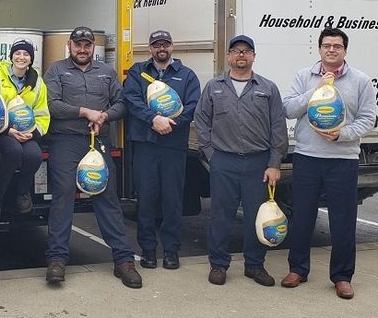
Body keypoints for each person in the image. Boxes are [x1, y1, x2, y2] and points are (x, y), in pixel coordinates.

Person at [42, 26, 141, 289]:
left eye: (87, 45)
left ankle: (124, 260)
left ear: (93, 47)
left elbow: (121, 103)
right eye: (78, 44)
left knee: (107, 196)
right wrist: (85, 112)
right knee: (63, 196)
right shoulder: (56, 70)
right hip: (65, 141)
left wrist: (105, 116)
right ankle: (57, 261)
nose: (82, 49)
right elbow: (52, 105)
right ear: (69, 45)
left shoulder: (106, 72)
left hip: (98, 143)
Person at [281, 27, 377, 299]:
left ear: (345, 50)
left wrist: (342, 135)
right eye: (327, 45)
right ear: (319, 49)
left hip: (342, 159)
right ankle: (298, 269)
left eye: (337, 46)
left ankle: (342, 277)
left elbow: (368, 118)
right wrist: (316, 89)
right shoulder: (304, 76)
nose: (331, 49)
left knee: (343, 220)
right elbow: (288, 109)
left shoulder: (361, 81)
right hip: (307, 157)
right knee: (301, 217)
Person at [194, 35, 288, 287]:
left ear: (254, 56)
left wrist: (274, 163)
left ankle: (255, 265)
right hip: (223, 161)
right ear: (228, 56)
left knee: (257, 216)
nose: (241, 55)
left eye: (246, 51)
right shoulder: (214, 86)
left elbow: (278, 126)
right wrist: (211, 154)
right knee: (220, 215)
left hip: (258, 163)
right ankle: (218, 265)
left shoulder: (267, 88)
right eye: (236, 51)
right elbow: (201, 120)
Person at [122, 30, 200, 270]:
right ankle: (147, 250)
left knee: (172, 200)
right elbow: (131, 99)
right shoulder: (138, 72)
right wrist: (153, 119)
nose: (161, 48)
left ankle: (171, 251)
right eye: (156, 45)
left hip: (173, 146)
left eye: (165, 44)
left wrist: (171, 122)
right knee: (146, 199)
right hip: (145, 145)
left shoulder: (187, 75)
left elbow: (193, 105)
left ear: (172, 46)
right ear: (150, 48)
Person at [0, 39, 49, 220]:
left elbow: (42, 113)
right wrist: (7, 130)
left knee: (34, 155)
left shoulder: (38, 82)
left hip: (28, 133)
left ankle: (22, 193)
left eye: (26, 54)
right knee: (13, 151)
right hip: (3, 131)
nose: (21, 57)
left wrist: (33, 133)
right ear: (11, 56)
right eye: (17, 53)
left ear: (31, 59)